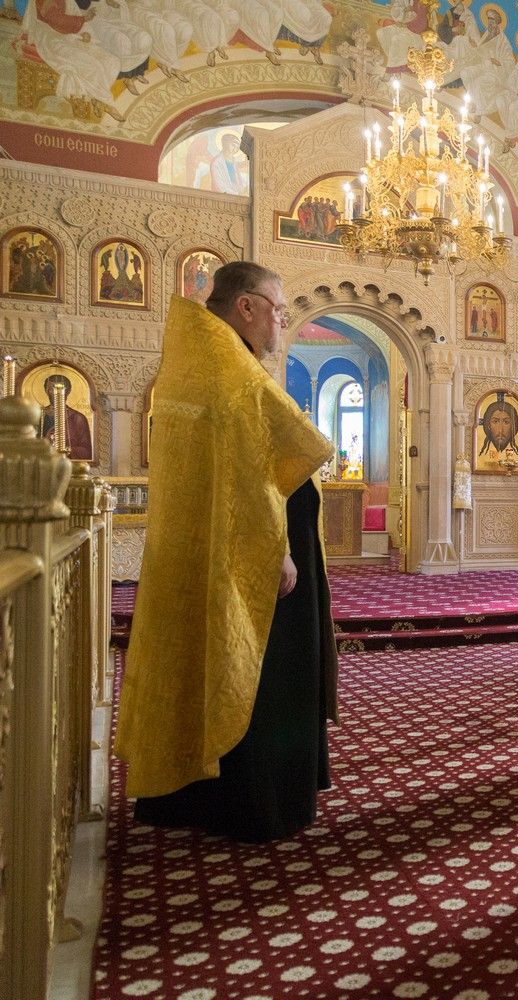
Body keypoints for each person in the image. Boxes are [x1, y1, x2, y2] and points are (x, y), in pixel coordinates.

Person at [116, 261, 337, 842]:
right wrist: (279, 550)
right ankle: (257, 803)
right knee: (261, 674)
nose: (282, 322)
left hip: (227, 544)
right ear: (246, 307)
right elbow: (248, 475)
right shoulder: (228, 371)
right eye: (279, 310)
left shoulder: (205, 358)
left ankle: (204, 795)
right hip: (255, 553)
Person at [39, 373, 95, 461]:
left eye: (60, 389)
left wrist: (65, 449)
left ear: (68, 391)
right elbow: (26, 447)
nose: (55, 393)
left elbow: (86, 452)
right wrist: (45, 442)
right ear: (46, 391)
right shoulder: (38, 415)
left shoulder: (77, 418)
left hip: (69, 467)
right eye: (51, 389)